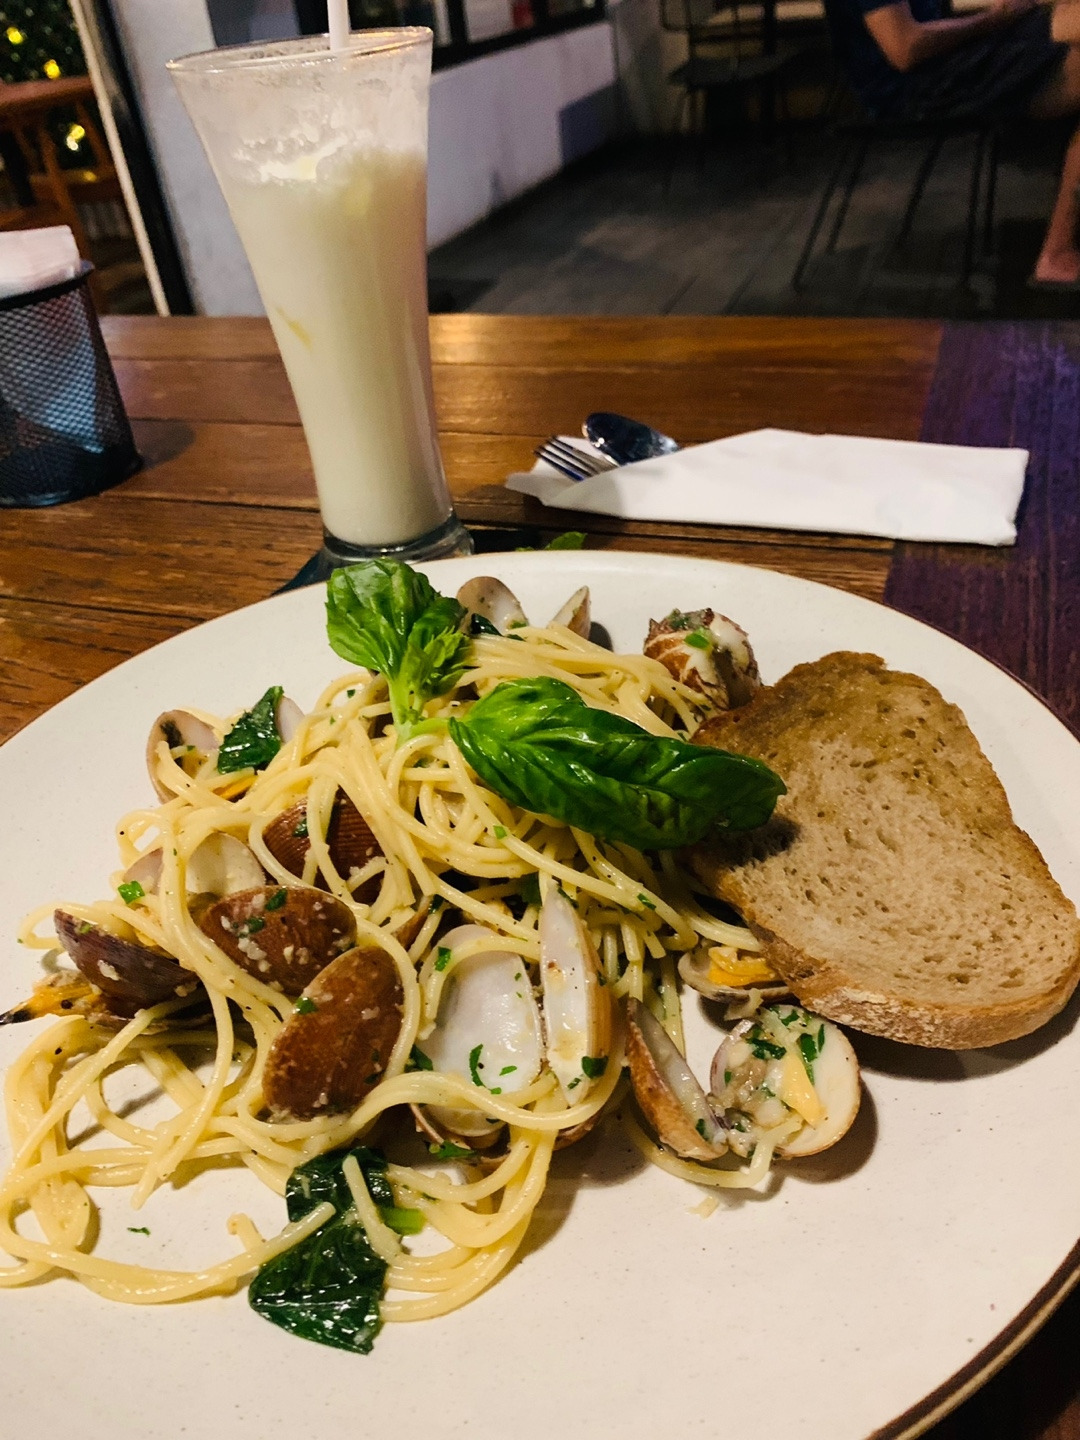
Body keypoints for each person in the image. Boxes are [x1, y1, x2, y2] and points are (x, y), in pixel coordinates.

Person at [825, 0, 1080, 284]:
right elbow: (905, 49)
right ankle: (1056, 253)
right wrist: (991, 20)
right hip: (915, 89)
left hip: (941, 64)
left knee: (1054, 22)